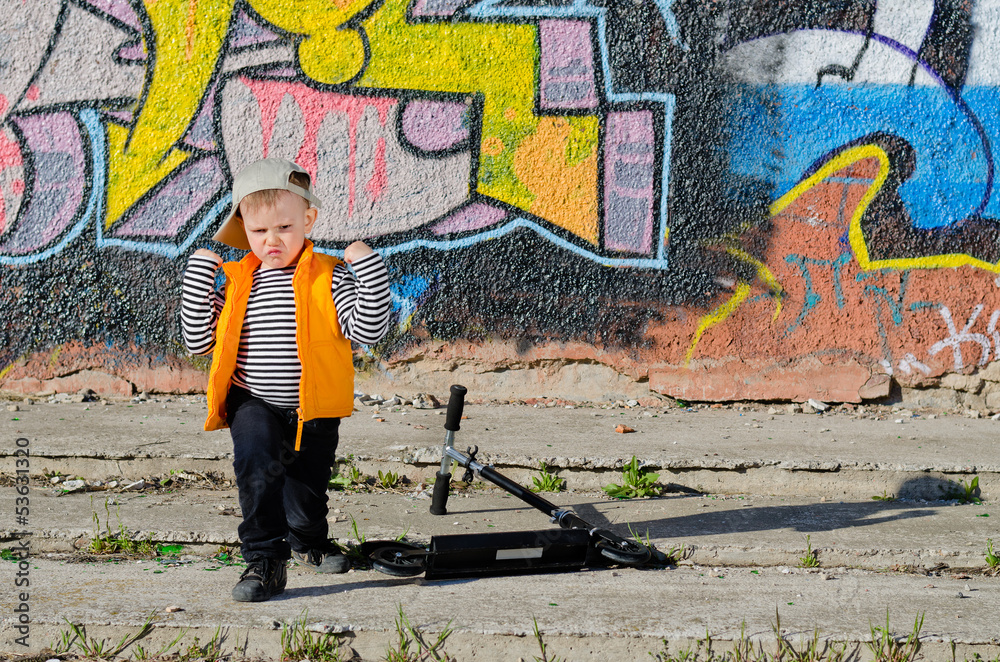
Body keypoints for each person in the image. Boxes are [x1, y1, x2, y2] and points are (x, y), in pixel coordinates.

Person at [180, 158, 391, 602]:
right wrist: (198, 281)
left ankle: (308, 541)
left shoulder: (330, 277)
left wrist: (368, 269)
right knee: (257, 469)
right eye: (259, 232)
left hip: (313, 407)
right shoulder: (237, 281)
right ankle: (264, 560)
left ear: (308, 219)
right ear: (243, 229)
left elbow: (367, 331)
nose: (271, 240)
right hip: (253, 400)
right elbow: (199, 342)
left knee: (307, 491)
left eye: (284, 228)